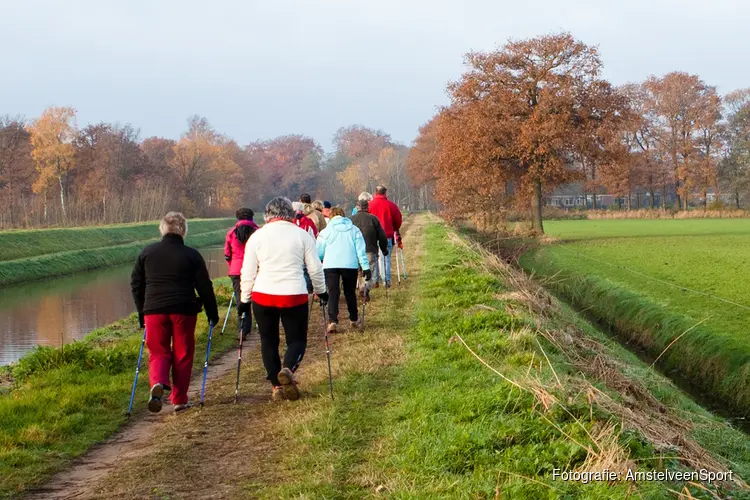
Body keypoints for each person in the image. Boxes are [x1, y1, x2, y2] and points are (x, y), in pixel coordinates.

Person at [239, 197, 328, 401]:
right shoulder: (302, 235)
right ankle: (288, 368)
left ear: (267, 215)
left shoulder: (257, 236)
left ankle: (276, 386)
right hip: (293, 294)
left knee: (268, 340)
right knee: (297, 340)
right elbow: (314, 268)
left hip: (263, 294)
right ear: (290, 214)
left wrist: (244, 300)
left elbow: (248, 271)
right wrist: (321, 291)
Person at [130, 212, 219, 413]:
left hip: (153, 310)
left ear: (162, 229)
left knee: (158, 351)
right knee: (183, 354)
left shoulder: (147, 253)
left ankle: (159, 383)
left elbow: (136, 284)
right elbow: (204, 286)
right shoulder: (192, 255)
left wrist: (141, 312)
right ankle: (179, 399)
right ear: (183, 231)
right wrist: (212, 313)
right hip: (184, 310)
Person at [317, 207, 369, 333]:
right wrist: (365, 267)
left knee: (333, 292)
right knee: (349, 292)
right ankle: (354, 319)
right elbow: (360, 250)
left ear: (331, 217)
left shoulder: (326, 231)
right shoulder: (354, 230)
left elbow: (319, 251)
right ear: (344, 215)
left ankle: (333, 321)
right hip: (349, 264)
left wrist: (320, 260)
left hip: (330, 265)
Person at [224, 208, 259, 339]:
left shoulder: (231, 233)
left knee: (241, 300)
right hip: (256, 269)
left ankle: (243, 329)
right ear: (252, 218)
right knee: (257, 298)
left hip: (236, 270)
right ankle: (261, 326)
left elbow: (227, 254)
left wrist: (233, 266)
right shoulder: (258, 233)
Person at [350, 199, 388, 302]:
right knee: (369, 270)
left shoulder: (351, 220)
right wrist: (384, 249)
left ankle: (361, 287)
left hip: (354, 250)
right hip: (369, 249)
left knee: (358, 271)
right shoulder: (373, 219)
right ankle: (366, 289)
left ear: (357, 208)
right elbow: (382, 236)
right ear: (368, 207)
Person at [368, 185, 403, 288]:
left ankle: (375, 280)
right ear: (385, 193)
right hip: (387, 235)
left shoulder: (370, 205)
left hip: (372, 236)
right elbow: (398, 219)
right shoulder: (391, 205)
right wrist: (395, 228)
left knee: (374, 257)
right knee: (385, 258)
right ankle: (386, 280)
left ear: (375, 193)